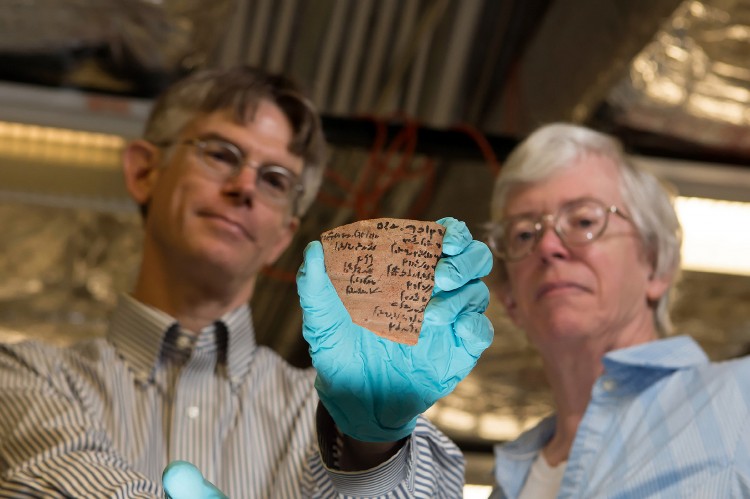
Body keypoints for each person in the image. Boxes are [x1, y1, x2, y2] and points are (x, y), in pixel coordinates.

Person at [0, 66, 495, 498]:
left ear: (284, 233)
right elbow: (48, 476)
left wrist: (373, 441)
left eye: (276, 180)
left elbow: (439, 488)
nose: (244, 189)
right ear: (144, 170)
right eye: (220, 154)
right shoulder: (28, 376)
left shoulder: (326, 408)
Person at [485, 122, 750, 498]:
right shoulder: (511, 477)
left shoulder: (741, 400)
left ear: (656, 264)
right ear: (510, 299)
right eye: (525, 234)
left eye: (584, 221)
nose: (547, 247)